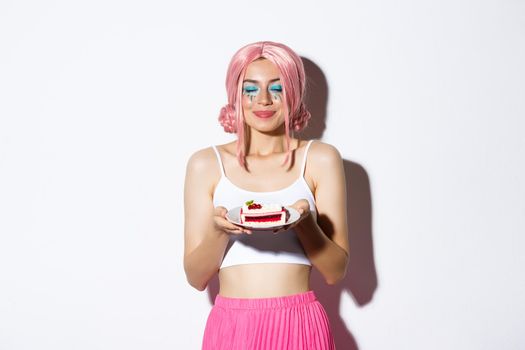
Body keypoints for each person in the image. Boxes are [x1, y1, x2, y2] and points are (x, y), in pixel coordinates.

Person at [183, 41, 349, 350]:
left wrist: (305, 223)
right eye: (250, 89)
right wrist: (220, 230)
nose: (263, 100)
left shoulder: (320, 159)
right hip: (232, 328)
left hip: (300, 323)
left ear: (294, 95)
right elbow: (196, 277)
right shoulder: (205, 164)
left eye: (278, 88)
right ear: (235, 95)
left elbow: (335, 271)